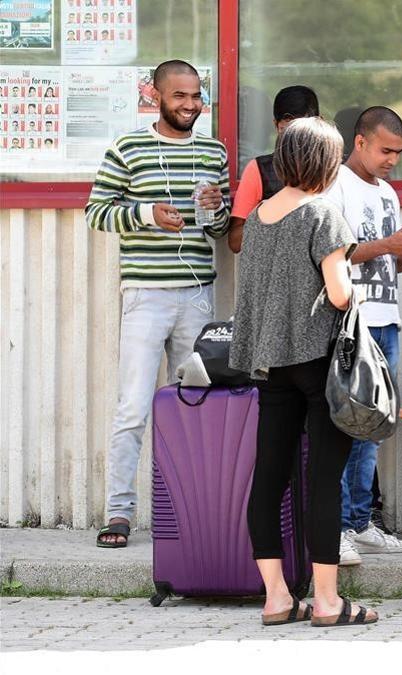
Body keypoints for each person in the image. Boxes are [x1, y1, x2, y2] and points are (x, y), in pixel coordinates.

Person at [230, 116, 376, 627]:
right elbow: (338, 293)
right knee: (323, 478)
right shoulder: (323, 215)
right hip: (318, 365)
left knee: (268, 477)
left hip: (271, 366)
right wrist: (352, 290)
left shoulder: (260, 216)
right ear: (326, 164)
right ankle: (329, 602)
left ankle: (276, 597)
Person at [86, 60, 230, 548]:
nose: (190, 105)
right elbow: (97, 212)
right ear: (156, 95)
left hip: (197, 296)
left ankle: (196, 510)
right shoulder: (128, 148)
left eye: (196, 97)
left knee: (197, 405)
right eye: (180, 96)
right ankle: (119, 513)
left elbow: (219, 228)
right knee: (132, 407)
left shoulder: (213, 151)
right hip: (145, 296)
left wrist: (214, 209)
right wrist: (147, 213)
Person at [325, 106, 402, 565]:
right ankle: (335, 528)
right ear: (361, 141)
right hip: (352, 320)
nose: (392, 159)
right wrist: (389, 246)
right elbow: (334, 252)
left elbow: (385, 260)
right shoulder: (334, 184)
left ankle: (359, 521)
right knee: (346, 424)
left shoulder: (388, 192)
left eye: (399, 152)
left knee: (375, 427)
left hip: (387, 319)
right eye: (386, 150)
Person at [228, 85, 320, 253]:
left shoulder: (335, 169)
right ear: (276, 126)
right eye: (287, 130)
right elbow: (235, 242)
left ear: (319, 123)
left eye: (303, 131)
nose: (295, 140)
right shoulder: (260, 169)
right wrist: (271, 213)